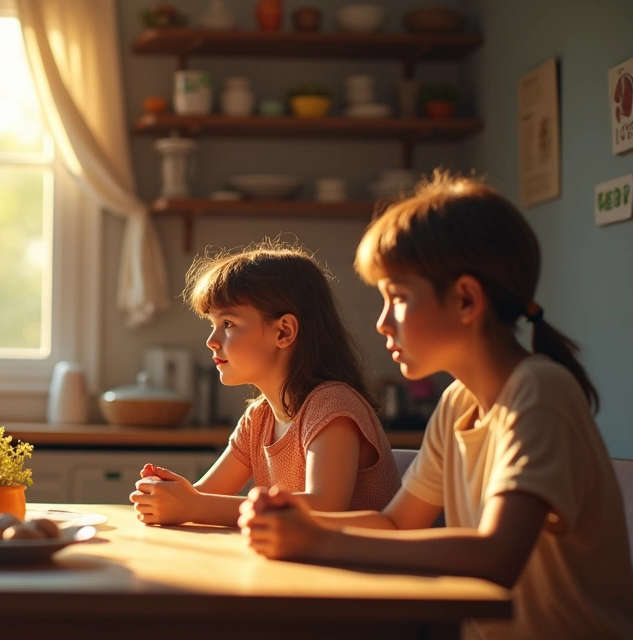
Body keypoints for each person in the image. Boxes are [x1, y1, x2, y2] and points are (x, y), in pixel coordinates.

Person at [239, 173, 633, 639]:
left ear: (466, 299)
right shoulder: (459, 402)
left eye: (398, 298)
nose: (383, 323)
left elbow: (498, 557)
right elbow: (395, 523)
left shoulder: (540, 391)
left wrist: (321, 541)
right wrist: (298, 521)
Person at [131, 242, 400, 526]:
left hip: (361, 569)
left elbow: (325, 507)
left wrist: (193, 506)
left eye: (228, 324)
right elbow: (204, 496)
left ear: (284, 331)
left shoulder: (332, 406)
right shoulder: (258, 419)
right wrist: (168, 494)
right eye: (212, 324)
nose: (211, 341)